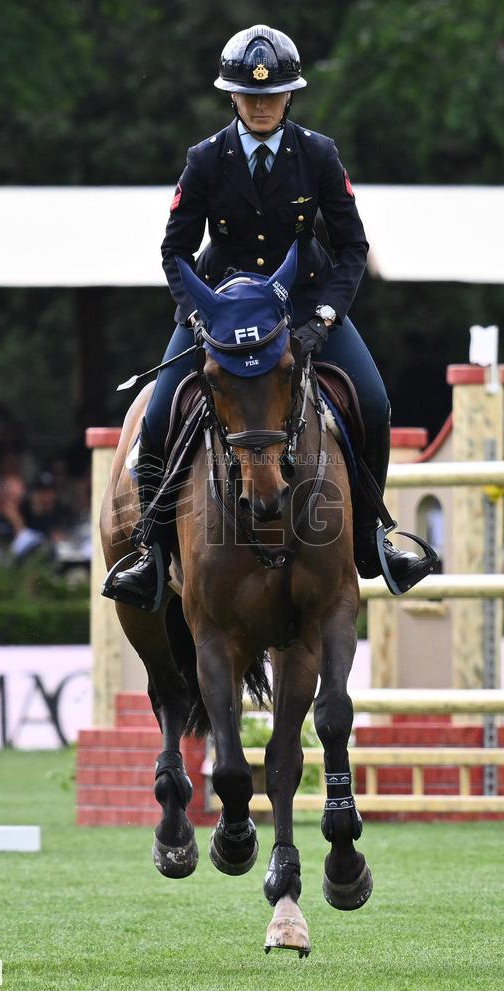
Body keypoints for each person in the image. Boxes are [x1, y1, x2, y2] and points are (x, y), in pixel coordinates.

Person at [110, 24, 435, 609]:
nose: (261, 106)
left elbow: (352, 247)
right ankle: (152, 551)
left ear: (290, 96)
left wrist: (326, 317)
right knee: (156, 415)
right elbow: (174, 251)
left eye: (272, 95)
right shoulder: (205, 159)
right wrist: (197, 315)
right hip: (219, 308)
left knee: (374, 401)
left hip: (304, 303)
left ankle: (371, 537)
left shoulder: (318, 154)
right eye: (250, 95)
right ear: (232, 97)